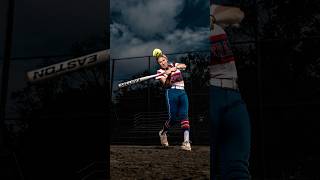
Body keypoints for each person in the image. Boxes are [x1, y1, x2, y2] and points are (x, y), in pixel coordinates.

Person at [209, 0, 251, 179]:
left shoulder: (210, 12)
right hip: (210, 94)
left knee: (238, 168)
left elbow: (237, 14)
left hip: (234, 94)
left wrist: (211, 17)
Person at [154, 51, 191, 151]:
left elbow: (185, 66)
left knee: (184, 115)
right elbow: (167, 85)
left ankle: (186, 142)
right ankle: (163, 132)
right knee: (173, 118)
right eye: (160, 62)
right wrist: (169, 74)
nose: (162, 62)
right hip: (171, 93)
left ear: (166, 59)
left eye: (163, 60)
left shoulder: (174, 64)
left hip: (182, 92)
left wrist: (175, 68)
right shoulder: (159, 72)